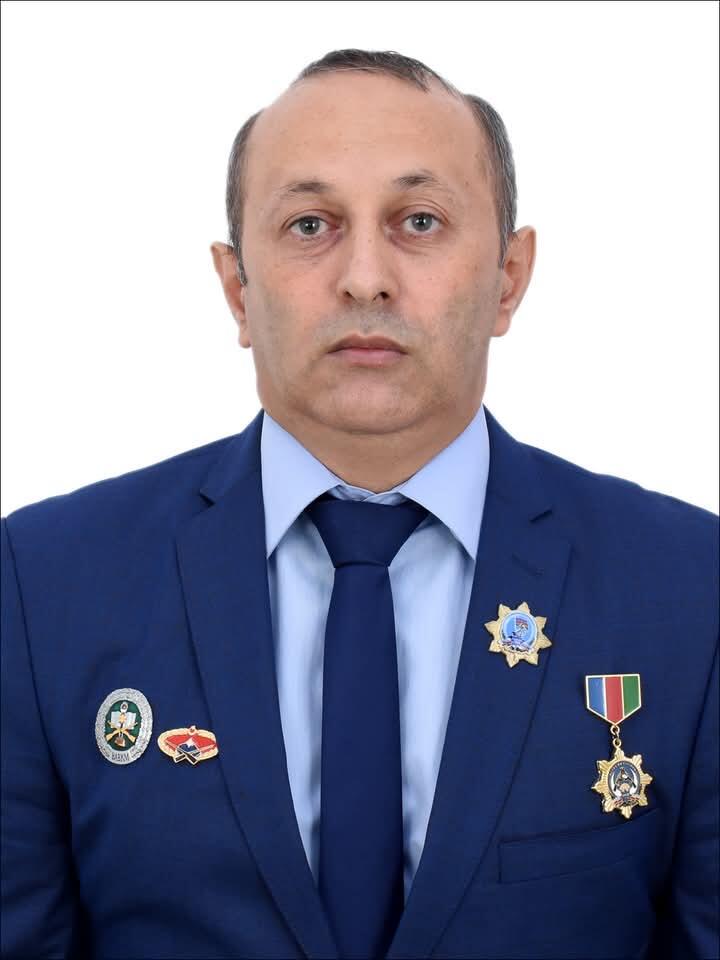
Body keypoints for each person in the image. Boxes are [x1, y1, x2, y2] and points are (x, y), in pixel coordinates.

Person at [1, 47, 717, 960]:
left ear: (508, 277)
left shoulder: (689, 591)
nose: (365, 277)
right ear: (237, 288)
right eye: (310, 225)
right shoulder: (41, 586)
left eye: (419, 221)